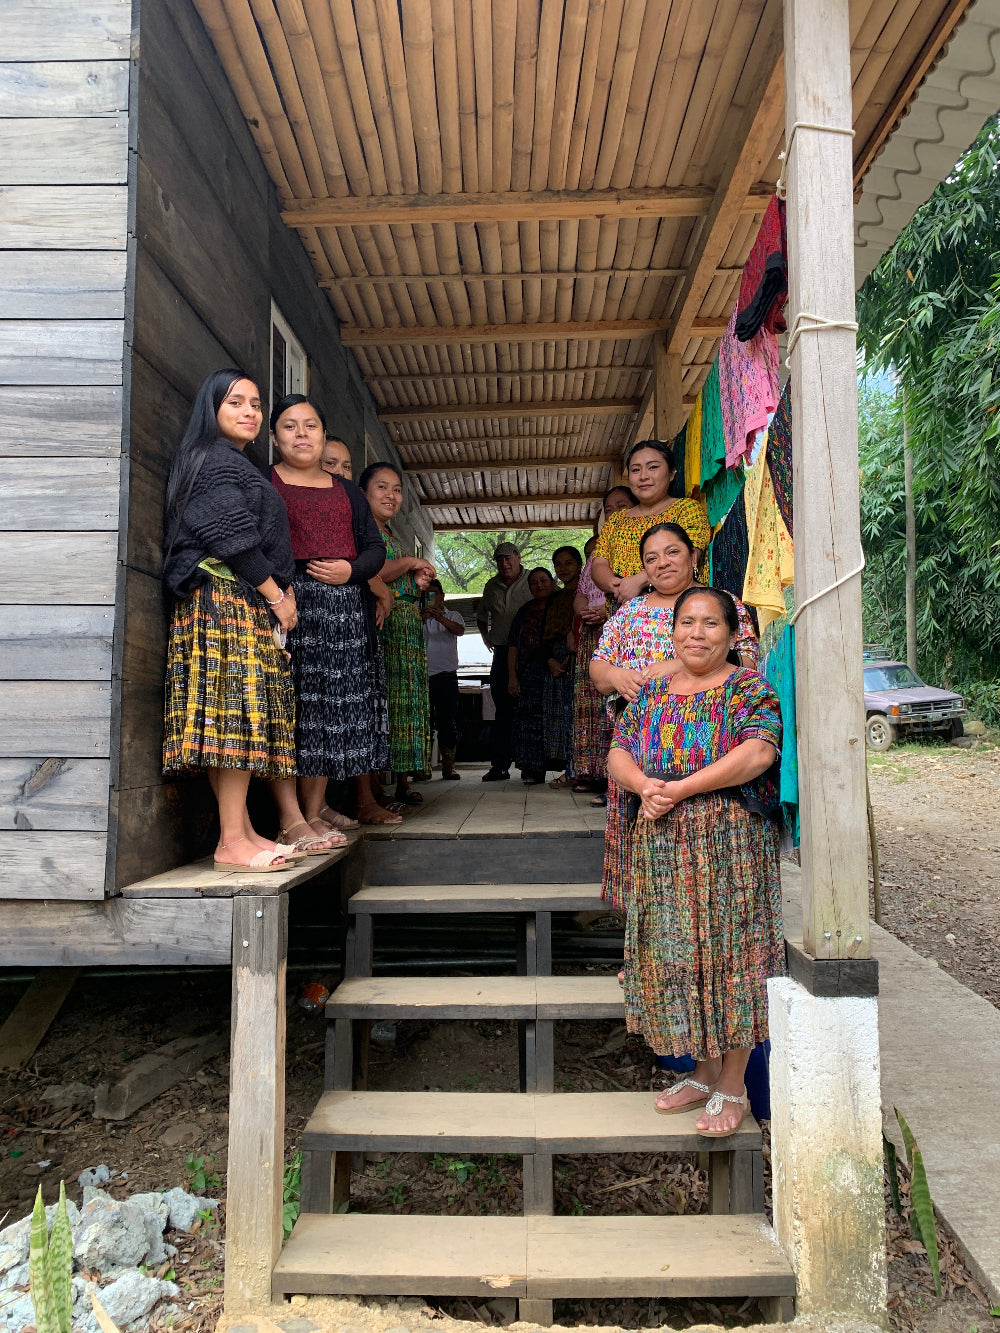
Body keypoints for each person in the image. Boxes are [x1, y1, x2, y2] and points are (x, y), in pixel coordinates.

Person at [608, 586, 784, 1137]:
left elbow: (759, 752)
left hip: (730, 847)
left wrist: (680, 789)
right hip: (664, 848)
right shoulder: (654, 693)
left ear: (733, 635)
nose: (697, 632)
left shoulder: (748, 688)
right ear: (674, 631)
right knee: (681, 956)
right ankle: (703, 1074)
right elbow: (618, 750)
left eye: (711, 623)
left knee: (733, 958)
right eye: (687, 622)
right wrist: (644, 785)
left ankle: (734, 1083)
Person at [162, 368, 298, 872]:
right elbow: (232, 535)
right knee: (232, 718)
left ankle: (240, 833)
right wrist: (278, 596)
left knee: (236, 718)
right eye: (235, 402)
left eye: (256, 404)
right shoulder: (215, 459)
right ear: (211, 409)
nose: (249, 412)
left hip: (234, 601)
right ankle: (230, 842)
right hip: (222, 600)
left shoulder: (229, 461)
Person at [591, 522, 760, 912]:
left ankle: (709, 940)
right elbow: (598, 672)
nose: (662, 563)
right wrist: (617, 676)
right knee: (641, 846)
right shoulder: (629, 612)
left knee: (704, 854)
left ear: (694, 556)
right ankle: (642, 945)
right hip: (638, 754)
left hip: (707, 747)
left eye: (672, 552)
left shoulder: (723, 604)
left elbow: (748, 663)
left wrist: (675, 666)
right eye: (651, 558)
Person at [267, 394, 390, 850]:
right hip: (289, 606)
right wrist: (281, 587)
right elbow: (255, 543)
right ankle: (289, 816)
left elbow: (373, 549)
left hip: (342, 615)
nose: (301, 434)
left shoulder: (347, 493)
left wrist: (351, 571)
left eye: (311, 426)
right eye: (290, 426)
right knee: (291, 708)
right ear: (275, 437)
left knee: (329, 711)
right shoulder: (266, 482)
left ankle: (314, 811)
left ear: (323, 434)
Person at [360, 462, 435, 806]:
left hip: (407, 627)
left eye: (397, 489)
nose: (391, 495)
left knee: (406, 705)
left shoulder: (390, 535)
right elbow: (374, 572)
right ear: (364, 493)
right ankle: (374, 788)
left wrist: (417, 583)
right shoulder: (364, 533)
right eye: (382, 487)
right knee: (384, 700)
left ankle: (402, 782)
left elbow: (401, 583)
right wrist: (410, 563)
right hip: (384, 626)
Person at [570, 488, 636, 804]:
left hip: (624, 632)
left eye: (621, 506)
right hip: (593, 639)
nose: (614, 513)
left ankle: (620, 782)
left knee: (618, 705)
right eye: (608, 509)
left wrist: (605, 610)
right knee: (592, 711)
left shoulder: (641, 546)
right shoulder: (597, 558)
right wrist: (584, 609)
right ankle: (595, 775)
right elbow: (582, 593)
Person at [591, 441, 711, 602]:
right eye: (635, 470)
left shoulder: (687, 509)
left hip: (680, 607)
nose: (643, 476)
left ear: (671, 473)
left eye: (653, 467)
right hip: (625, 613)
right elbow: (599, 564)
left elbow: (691, 556)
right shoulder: (616, 520)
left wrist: (639, 581)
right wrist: (617, 585)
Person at [476, 542, 532, 781]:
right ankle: (499, 766)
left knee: (530, 710)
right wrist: (486, 637)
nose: (504, 563)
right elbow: (481, 615)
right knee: (503, 712)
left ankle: (531, 765)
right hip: (500, 653)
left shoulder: (533, 579)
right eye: (499, 560)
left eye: (508, 558)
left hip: (530, 654)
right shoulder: (491, 585)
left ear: (518, 557)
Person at [507, 567, 556, 784]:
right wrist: (512, 676)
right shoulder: (524, 611)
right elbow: (513, 645)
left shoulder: (560, 606)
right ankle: (531, 770)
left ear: (552, 582)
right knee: (527, 721)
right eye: (534, 582)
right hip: (527, 672)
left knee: (551, 720)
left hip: (554, 672)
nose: (539, 585)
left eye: (543, 580)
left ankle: (559, 768)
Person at [542, 546, 583, 787]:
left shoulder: (586, 592)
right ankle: (570, 769)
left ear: (579, 565)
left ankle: (576, 771)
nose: (563, 568)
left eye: (568, 563)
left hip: (576, 656)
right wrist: (550, 660)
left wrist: (570, 654)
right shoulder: (555, 598)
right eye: (558, 564)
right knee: (561, 718)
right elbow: (546, 635)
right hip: (554, 663)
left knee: (575, 717)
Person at [422, 578, 465, 780]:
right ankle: (423, 767)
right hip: (422, 677)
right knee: (424, 722)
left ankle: (449, 766)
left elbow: (460, 630)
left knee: (448, 721)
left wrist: (440, 618)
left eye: (433, 594)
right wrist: (422, 618)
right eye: (426, 594)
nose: (429, 598)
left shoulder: (452, 615)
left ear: (442, 596)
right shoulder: (416, 615)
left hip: (447, 676)